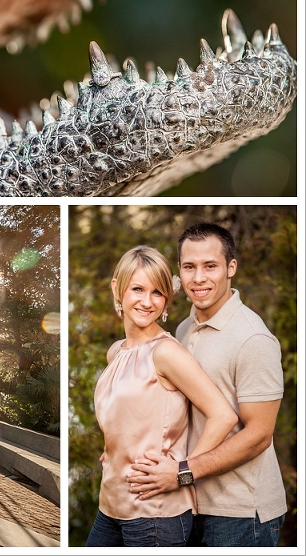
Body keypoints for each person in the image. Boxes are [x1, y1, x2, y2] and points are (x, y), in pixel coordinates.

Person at [127, 223, 287, 547]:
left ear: (231, 268)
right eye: (189, 267)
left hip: (241, 513)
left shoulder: (253, 338)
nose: (198, 278)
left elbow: (259, 435)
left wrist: (183, 473)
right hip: (190, 504)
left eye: (210, 266)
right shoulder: (184, 329)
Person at [86, 246, 237, 547]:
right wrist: (115, 447)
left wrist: (183, 472)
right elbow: (129, 414)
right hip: (110, 504)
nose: (146, 301)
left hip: (155, 514)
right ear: (117, 288)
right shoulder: (116, 351)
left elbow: (224, 415)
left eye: (157, 292)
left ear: (167, 299)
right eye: (138, 289)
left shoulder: (165, 352)